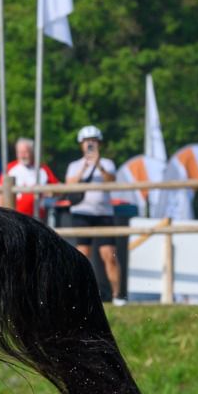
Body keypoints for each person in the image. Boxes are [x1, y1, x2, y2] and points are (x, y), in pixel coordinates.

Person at [65, 125, 124, 306]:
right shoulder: (75, 165)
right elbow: (69, 183)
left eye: (94, 141)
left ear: (99, 143)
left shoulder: (107, 164)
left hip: (103, 213)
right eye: (87, 141)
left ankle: (117, 295)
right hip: (82, 213)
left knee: (109, 254)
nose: (90, 144)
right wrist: (85, 167)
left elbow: (111, 180)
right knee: (82, 255)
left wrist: (97, 164)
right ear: (81, 144)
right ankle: (82, 295)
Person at [3, 138, 59, 220]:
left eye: (25, 152)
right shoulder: (10, 169)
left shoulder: (42, 169)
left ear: (32, 152)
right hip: (15, 217)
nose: (23, 155)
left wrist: (49, 192)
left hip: (38, 217)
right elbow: (0, 194)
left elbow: (57, 189)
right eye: (20, 152)